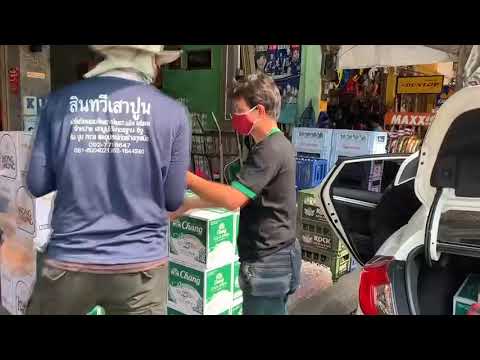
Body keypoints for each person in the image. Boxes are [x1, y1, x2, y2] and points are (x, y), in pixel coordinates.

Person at [26, 45, 190, 315]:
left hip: (70, 260)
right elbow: (173, 199)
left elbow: (37, 184)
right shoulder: (173, 112)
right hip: (141, 268)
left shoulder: (58, 103)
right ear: (149, 61)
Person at [171, 73, 301, 315]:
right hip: (276, 256)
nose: (234, 118)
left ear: (259, 110)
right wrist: (190, 204)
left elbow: (232, 198)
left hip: (269, 262)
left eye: (239, 110)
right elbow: (243, 196)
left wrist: (184, 175)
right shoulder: (275, 145)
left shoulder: (270, 149)